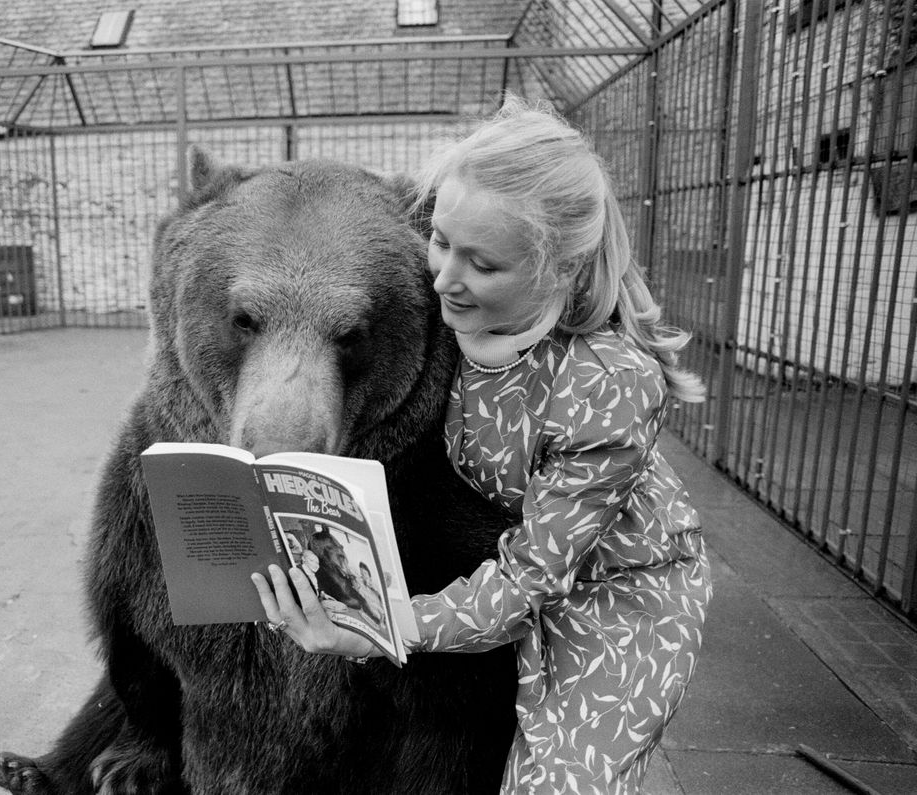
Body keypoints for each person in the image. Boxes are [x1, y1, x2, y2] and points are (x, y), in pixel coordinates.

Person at [251, 95, 712, 793]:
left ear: (557, 269)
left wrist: (381, 626)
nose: (442, 277)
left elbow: (530, 583)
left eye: (482, 264)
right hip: (500, 564)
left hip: (612, 601)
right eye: (439, 240)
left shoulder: (608, 385)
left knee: (559, 782)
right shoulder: (451, 312)